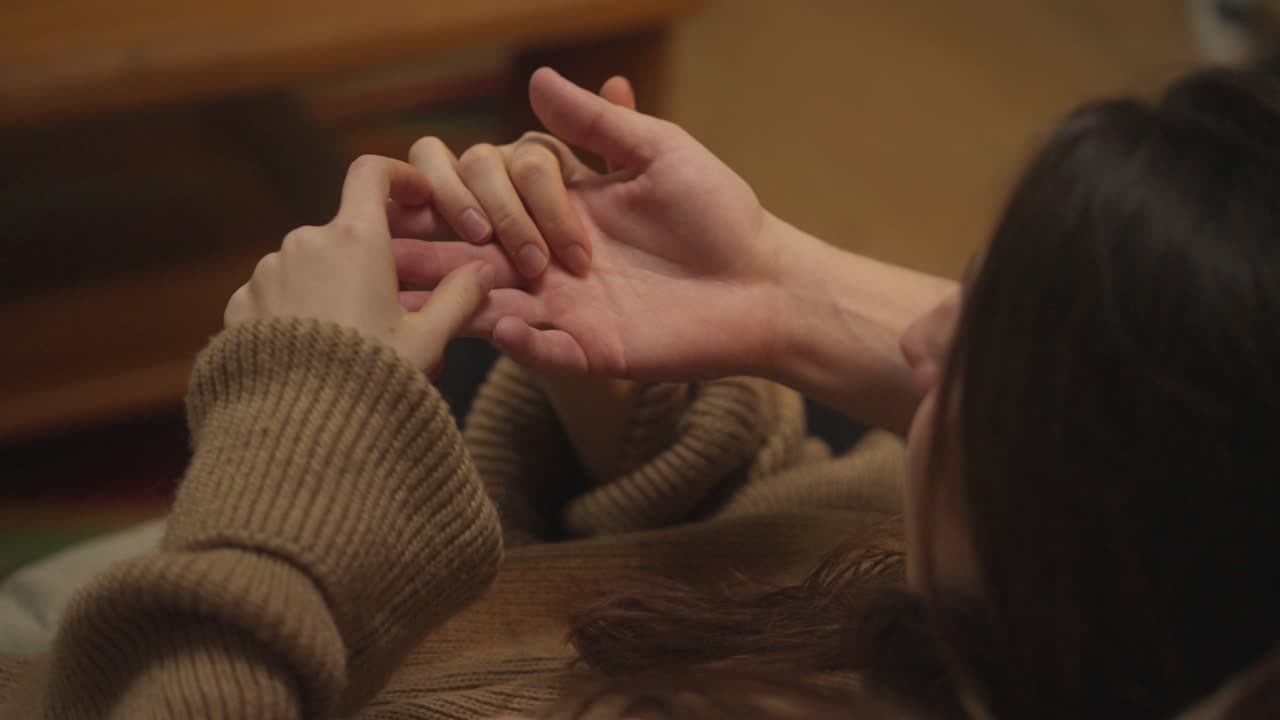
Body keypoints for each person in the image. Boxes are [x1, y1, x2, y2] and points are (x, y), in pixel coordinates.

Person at [0, 61, 1278, 719]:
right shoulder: (1018, 599)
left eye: (995, 343)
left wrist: (292, 447)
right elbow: (776, 572)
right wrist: (635, 424)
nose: (919, 329)